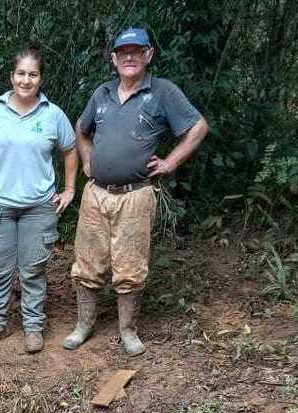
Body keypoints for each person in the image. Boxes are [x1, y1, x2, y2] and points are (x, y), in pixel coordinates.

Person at [64, 27, 208, 356]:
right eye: (123, 52)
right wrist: (87, 157)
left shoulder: (162, 93)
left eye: (136, 51)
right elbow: (81, 129)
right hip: (96, 193)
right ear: (114, 59)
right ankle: (83, 325)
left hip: (136, 195)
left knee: (130, 266)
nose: (129, 57)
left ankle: (127, 330)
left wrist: (171, 161)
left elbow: (198, 127)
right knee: (87, 263)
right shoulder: (102, 93)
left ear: (148, 56)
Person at [0, 45, 77, 354]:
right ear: (12, 76)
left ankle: (34, 327)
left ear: (41, 79)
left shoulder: (53, 114)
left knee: (33, 271)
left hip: (39, 208)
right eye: (21, 73)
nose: (26, 80)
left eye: (33, 74)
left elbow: (70, 150)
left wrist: (70, 189)